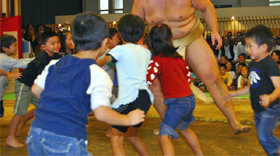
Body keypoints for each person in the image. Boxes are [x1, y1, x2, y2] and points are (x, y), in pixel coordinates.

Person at [132, 0, 249, 134]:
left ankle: (235, 123)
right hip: (162, 46)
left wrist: (215, 31)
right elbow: (135, 24)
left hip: (191, 38)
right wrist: (139, 45)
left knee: (213, 78)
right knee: (155, 85)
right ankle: (168, 124)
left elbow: (207, 7)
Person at [26, 12, 145, 156]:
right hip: (66, 138)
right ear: (104, 43)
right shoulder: (98, 74)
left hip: (36, 134)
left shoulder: (54, 63)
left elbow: (36, 89)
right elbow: (101, 113)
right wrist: (127, 119)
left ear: (74, 42)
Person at [225, 25, 280, 156]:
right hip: (258, 110)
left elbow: (279, 87)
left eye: (250, 46)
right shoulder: (254, 63)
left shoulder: (270, 64)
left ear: (263, 47)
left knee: (264, 137)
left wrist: (270, 97)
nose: (247, 49)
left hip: (271, 108)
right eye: (247, 45)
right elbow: (253, 86)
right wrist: (235, 93)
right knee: (264, 140)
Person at [97, 14, 153, 156]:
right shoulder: (146, 52)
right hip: (145, 98)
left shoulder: (120, 50)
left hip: (130, 98)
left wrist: (98, 52)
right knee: (132, 136)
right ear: (141, 33)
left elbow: (100, 63)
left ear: (120, 34)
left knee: (116, 138)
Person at [146, 24, 203, 156]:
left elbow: (148, 80)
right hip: (190, 100)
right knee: (185, 129)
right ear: (170, 39)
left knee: (164, 136)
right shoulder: (179, 59)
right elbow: (188, 78)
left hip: (177, 103)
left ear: (152, 42)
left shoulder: (156, 61)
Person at [6, 31, 61, 148]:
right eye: (52, 43)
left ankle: (28, 126)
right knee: (20, 112)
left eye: (58, 42)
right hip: (24, 85)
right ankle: (10, 138)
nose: (56, 45)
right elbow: (46, 78)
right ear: (43, 47)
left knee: (44, 108)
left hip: (35, 86)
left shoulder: (56, 56)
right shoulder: (41, 59)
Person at [0, 35, 34, 118]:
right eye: (14, 45)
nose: (16, 48)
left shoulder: (3, 58)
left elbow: (20, 61)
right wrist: (39, 60)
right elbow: (21, 64)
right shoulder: (3, 59)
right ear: (4, 48)